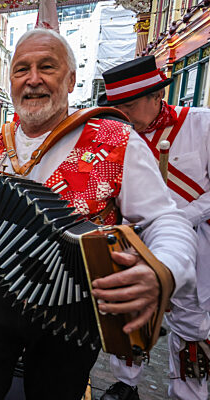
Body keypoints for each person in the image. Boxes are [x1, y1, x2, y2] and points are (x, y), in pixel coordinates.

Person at [0, 28, 197, 400]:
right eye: (22, 70)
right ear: (11, 81)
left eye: (46, 67)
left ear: (71, 79)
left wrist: (160, 269)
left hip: (71, 304)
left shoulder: (116, 139)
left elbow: (166, 219)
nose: (33, 79)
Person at [97, 56, 210, 400]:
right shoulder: (113, 137)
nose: (124, 116)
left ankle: (190, 390)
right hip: (131, 242)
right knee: (126, 312)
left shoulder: (201, 125)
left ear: (156, 95)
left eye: (129, 105)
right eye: (118, 108)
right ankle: (125, 384)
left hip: (198, 244)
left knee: (193, 321)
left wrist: (180, 218)